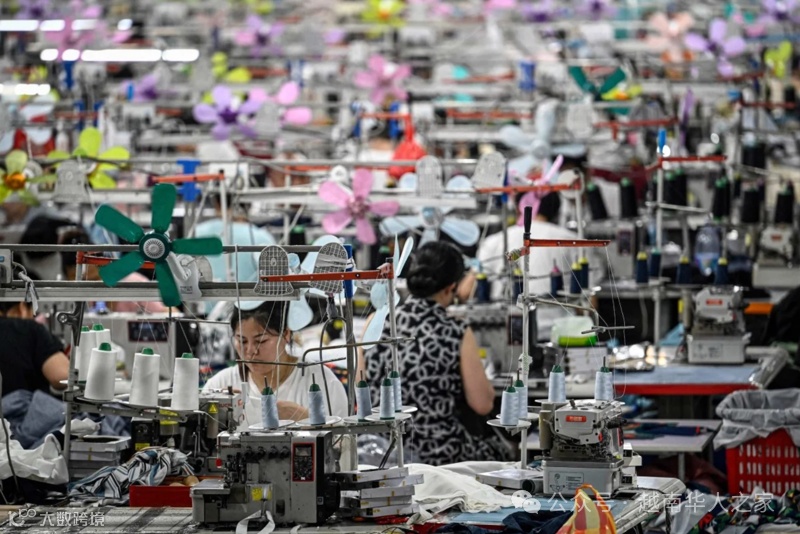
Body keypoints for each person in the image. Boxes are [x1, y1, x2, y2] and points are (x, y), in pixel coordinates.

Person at [363, 241, 510, 465]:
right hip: (438, 451)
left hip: (382, 450)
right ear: (451, 287)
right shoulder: (456, 329)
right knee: (504, 451)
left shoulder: (376, 321)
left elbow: (361, 390)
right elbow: (483, 404)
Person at [202, 300, 348, 427]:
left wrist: (307, 419)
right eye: (242, 341)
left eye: (261, 341)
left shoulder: (324, 383)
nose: (250, 351)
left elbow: (343, 444)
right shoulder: (220, 384)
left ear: (286, 334)